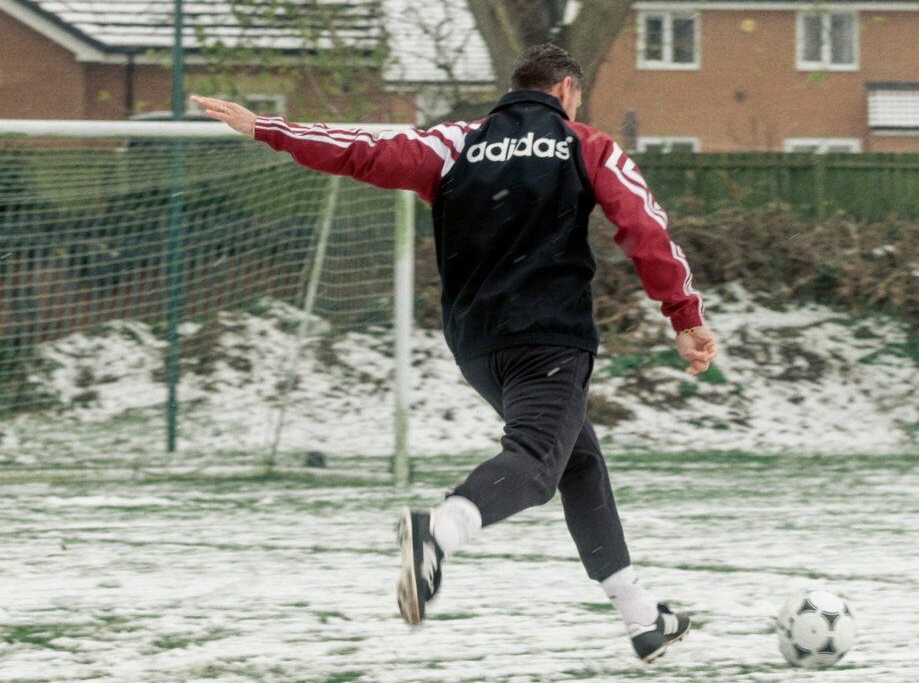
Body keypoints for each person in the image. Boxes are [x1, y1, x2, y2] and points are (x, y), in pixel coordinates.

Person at [191, 42, 717, 663]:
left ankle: (642, 617)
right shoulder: (585, 145)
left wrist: (266, 128)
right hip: (548, 336)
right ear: (568, 91)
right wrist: (684, 316)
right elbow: (644, 229)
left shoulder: (453, 144)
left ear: (514, 88)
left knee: (577, 462)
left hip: (478, 346)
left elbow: (362, 153)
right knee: (539, 461)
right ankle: (438, 531)